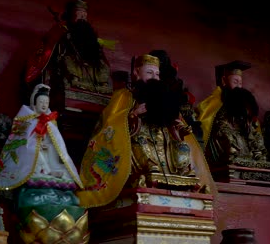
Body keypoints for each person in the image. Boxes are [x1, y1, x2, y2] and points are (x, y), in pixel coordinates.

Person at [76, 54, 215, 208]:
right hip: (139, 142)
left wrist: (179, 130)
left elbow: (177, 129)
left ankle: (181, 175)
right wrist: (133, 115)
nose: (154, 77)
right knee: (142, 147)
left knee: (182, 149)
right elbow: (111, 125)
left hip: (166, 148)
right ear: (136, 73)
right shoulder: (125, 97)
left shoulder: (164, 100)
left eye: (157, 74)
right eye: (149, 73)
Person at [0, 84, 88, 244]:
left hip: (50, 161)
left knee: (55, 159)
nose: (44, 105)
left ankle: (53, 179)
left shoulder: (51, 122)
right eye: (41, 102)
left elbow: (59, 146)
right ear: (34, 104)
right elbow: (22, 144)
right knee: (35, 157)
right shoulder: (26, 121)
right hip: (34, 162)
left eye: (46, 102)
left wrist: (49, 145)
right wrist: (37, 145)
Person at [25, 0, 112, 113]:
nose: (83, 16)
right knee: (68, 62)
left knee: (102, 67)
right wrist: (63, 39)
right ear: (71, 14)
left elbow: (101, 58)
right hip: (71, 70)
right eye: (80, 12)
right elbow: (47, 52)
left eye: (85, 13)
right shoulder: (60, 31)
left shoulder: (91, 38)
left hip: (91, 73)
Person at [197, 61, 270, 171]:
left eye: (240, 83)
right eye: (235, 82)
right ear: (223, 80)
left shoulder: (244, 101)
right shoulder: (216, 102)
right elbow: (209, 122)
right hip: (226, 139)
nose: (239, 86)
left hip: (244, 139)